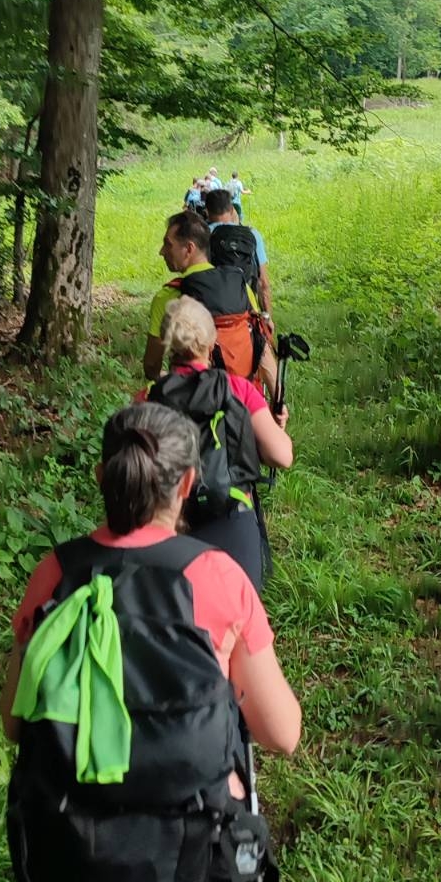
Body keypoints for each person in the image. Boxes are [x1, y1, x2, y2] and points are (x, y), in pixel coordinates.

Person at [2, 402, 301, 882]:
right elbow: (282, 732)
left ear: (104, 478)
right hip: (201, 845)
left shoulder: (56, 574)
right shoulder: (217, 578)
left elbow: (14, 719)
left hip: (89, 853)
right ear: (189, 485)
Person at [148, 298, 292, 589]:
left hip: (169, 526)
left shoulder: (149, 398)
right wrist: (275, 429)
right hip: (232, 520)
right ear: (212, 342)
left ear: (167, 344)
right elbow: (282, 456)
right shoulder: (237, 389)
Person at [144, 211, 277, 391]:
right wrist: (278, 399)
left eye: (168, 244)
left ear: (189, 249)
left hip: (197, 397)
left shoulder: (168, 297)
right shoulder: (240, 286)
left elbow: (152, 365)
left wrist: (167, 379)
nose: (162, 251)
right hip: (244, 394)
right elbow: (262, 346)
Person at [206, 188, 273, 319]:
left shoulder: (202, 235)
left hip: (212, 313)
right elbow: (263, 283)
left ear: (207, 212)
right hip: (246, 311)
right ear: (232, 210)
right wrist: (267, 318)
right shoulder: (252, 234)